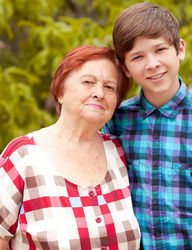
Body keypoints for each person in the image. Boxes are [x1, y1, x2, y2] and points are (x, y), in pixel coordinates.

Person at [103, 2, 192, 249]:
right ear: (125, 67)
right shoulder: (116, 121)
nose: (152, 64)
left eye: (160, 49)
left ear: (179, 49)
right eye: (138, 56)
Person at [0, 45, 141, 249]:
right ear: (60, 92)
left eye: (110, 87)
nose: (99, 93)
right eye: (88, 82)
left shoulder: (119, 151)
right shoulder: (24, 155)